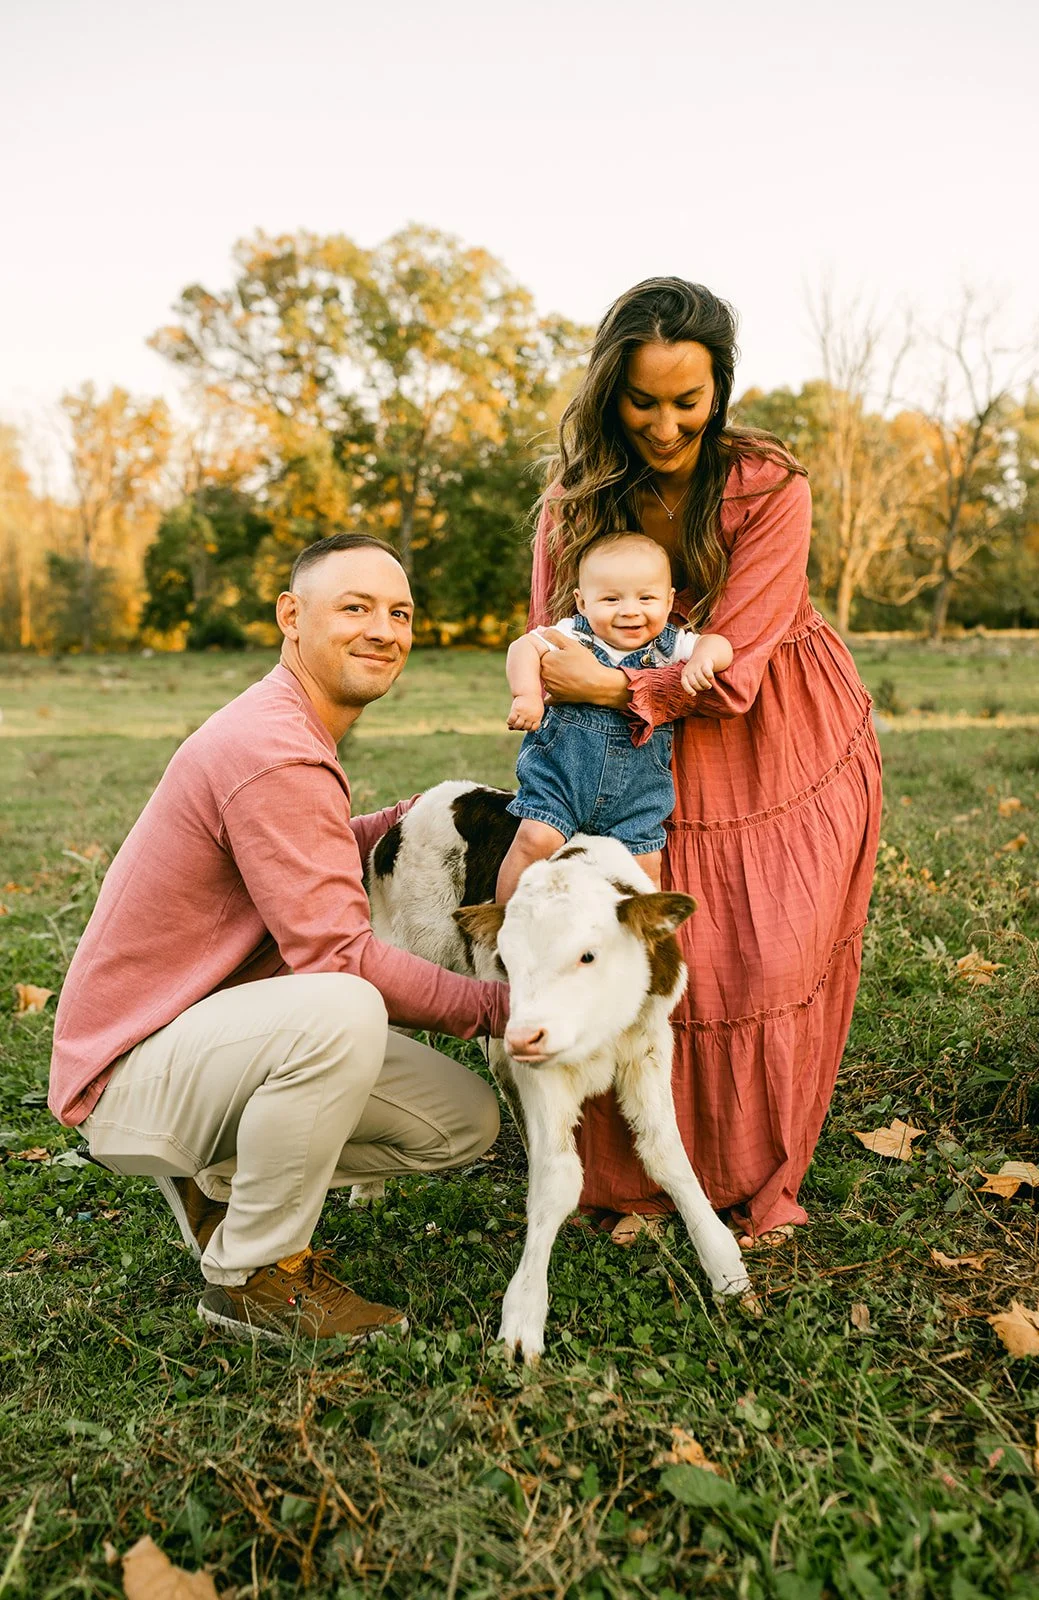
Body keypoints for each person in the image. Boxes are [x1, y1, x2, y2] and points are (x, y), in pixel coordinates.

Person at [48, 533, 507, 1341]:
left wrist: (419, 810)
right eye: (356, 607)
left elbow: (306, 852)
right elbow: (338, 956)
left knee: (463, 1121)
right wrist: (498, 1008)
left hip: (203, 1040)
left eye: (399, 612)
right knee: (342, 1004)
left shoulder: (284, 731)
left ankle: (222, 1179)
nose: (384, 629)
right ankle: (255, 1275)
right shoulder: (273, 750)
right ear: (291, 616)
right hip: (130, 1068)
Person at [525, 278, 881, 1248]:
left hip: (774, 736)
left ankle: (754, 1175)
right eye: (643, 401)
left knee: (763, 956)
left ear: (720, 387)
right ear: (610, 392)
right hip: (623, 759)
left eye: (690, 400)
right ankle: (634, 1181)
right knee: (639, 942)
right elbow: (548, 647)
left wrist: (610, 687)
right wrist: (581, 704)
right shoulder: (576, 501)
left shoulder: (769, 485)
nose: (667, 424)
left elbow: (733, 670)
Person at [497, 530, 732, 898]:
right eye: (610, 598)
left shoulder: (671, 645)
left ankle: (644, 942)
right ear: (582, 602)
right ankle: (504, 923)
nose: (630, 610)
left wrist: (704, 657)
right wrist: (527, 696)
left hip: (636, 796)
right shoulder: (573, 635)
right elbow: (523, 647)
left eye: (646, 598)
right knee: (533, 840)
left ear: (669, 600)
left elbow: (720, 645)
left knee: (645, 868)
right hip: (561, 779)